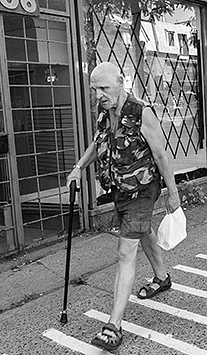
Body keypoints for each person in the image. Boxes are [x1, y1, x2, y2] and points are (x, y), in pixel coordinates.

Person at [66, 61, 181, 351]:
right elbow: (97, 143)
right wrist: (80, 166)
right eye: (94, 90)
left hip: (143, 190)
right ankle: (161, 277)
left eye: (104, 88)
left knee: (125, 251)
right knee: (142, 233)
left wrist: (173, 193)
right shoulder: (106, 113)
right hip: (120, 190)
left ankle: (113, 326)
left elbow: (161, 155)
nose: (98, 95)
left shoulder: (142, 112)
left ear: (121, 81)